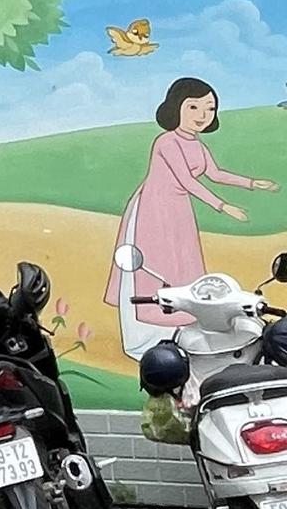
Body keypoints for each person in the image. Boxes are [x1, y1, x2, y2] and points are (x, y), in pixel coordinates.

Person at [103, 78, 278, 358]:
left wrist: (252, 183)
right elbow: (187, 180)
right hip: (154, 208)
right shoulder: (166, 142)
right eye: (194, 107)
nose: (202, 115)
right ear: (176, 107)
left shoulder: (197, 144)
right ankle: (149, 335)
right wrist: (222, 206)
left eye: (209, 108)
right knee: (158, 267)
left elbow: (215, 174)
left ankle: (187, 328)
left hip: (179, 210)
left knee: (183, 264)